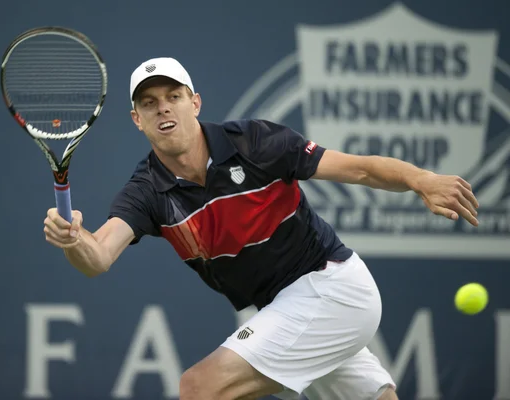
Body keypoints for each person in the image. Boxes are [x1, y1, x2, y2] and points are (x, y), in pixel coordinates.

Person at [43, 57, 480, 400]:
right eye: (149, 103)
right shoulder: (146, 191)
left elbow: (361, 171)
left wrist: (420, 179)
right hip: (284, 308)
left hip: (330, 288)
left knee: (200, 388)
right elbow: (98, 256)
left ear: (194, 102)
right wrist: (73, 238)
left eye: (173, 96)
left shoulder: (255, 143)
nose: (163, 108)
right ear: (137, 119)